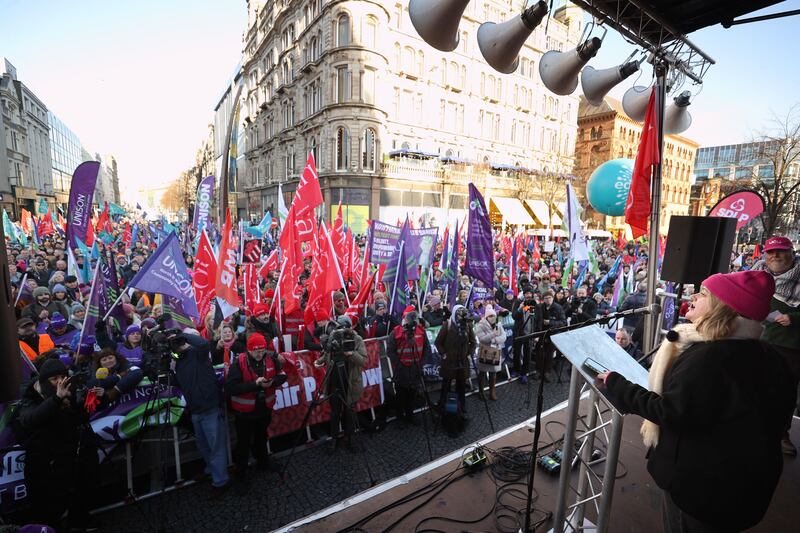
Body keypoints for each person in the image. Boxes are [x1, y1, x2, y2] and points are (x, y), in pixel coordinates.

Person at [597, 270, 795, 532]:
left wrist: (617, 385)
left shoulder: (710, 358)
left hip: (705, 492)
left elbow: (670, 411)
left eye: (703, 294)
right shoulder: (772, 356)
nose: (692, 296)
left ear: (721, 308)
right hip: (747, 488)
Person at [12, 359, 99, 530]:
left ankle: (79, 522)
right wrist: (57, 399)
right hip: (43, 464)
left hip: (69, 456)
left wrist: (95, 399)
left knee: (80, 492)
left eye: (62, 377)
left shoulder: (68, 392)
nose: (60, 382)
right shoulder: (30, 397)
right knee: (48, 509)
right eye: (54, 379)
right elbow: (30, 419)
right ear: (44, 381)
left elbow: (77, 419)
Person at [751, 235, 800, 455]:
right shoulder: (756, 274)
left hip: (790, 346)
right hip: (757, 339)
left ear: (792, 253)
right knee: (753, 387)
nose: (775, 256)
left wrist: (795, 318)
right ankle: (752, 430)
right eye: (770, 252)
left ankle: (781, 434)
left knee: (785, 392)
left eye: (780, 251)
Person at [171, 332, 231, 496]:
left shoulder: (198, 353)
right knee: (203, 445)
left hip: (209, 407)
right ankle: (212, 470)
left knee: (215, 445)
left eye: (182, 343)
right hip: (195, 409)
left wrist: (182, 335)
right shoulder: (179, 361)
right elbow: (177, 383)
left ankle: (221, 482)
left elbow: (204, 344)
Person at [226, 333, 286, 484]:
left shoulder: (270, 358)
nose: (260, 354)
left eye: (262, 350)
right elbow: (231, 388)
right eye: (256, 351)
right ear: (249, 350)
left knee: (262, 437)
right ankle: (241, 475)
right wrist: (255, 384)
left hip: (264, 408)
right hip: (244, 413)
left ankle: (263, 463)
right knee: (243, 444)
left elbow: (282, 375)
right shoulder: (239, 363)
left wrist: (272, 382)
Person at [314, 315, 367, 452]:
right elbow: (328, 353)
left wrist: (351, 354)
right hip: (334, 381)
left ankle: (349, 439)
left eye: (346, 327)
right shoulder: (334, 336)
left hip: (350, 382)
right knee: (335, 413)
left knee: (349, 413)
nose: (343, 330)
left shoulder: (357, 339)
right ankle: (334, 440)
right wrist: (320, 361)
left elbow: (363, 361)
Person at [386, 306, 431, 424]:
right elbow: (390, 351)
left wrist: (421, 363)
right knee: (401, 395)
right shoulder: (396, 332)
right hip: (402, 370)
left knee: (412, 394)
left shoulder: (421, 330)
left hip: (416, 368)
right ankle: (400, 418)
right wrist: (399, 364)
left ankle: (410, 416)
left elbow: (426, 348)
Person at [435, 305, 476, 417]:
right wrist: (444, 354)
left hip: (462, 361)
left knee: (461, 385)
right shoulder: (447, 325)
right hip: (449, 361)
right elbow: (438, 342)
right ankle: (443, 406)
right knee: (446, 385)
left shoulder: (467, 325)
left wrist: (469, 353)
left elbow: (473, 342)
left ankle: (461, 406)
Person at [475, 306, 506, 401]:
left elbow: (503, 337)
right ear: (486, 317)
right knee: (482, 373)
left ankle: (492, 391)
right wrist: (493, 335)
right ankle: (481, 391)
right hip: (485, 352)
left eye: (494, 315)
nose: (492, 317)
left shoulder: (498, 324)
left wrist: (495, 340)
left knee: (493, 373)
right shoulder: (480, 325)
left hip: (495, 352)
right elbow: (482, 339)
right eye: (490, 316)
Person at [512, 287, 540, 383]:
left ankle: (524, 373)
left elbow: (539, 319)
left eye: (529, 293)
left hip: (530, 332)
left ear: (532, 294)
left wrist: (537, 334)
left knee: (527, 353)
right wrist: (520, 309)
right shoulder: (518, 302)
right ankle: (516, 369)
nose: (528, 295)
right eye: (526, 293)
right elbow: (514, 316)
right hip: (519, 331)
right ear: (523, 294)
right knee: (517, 352)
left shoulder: (536, 304)